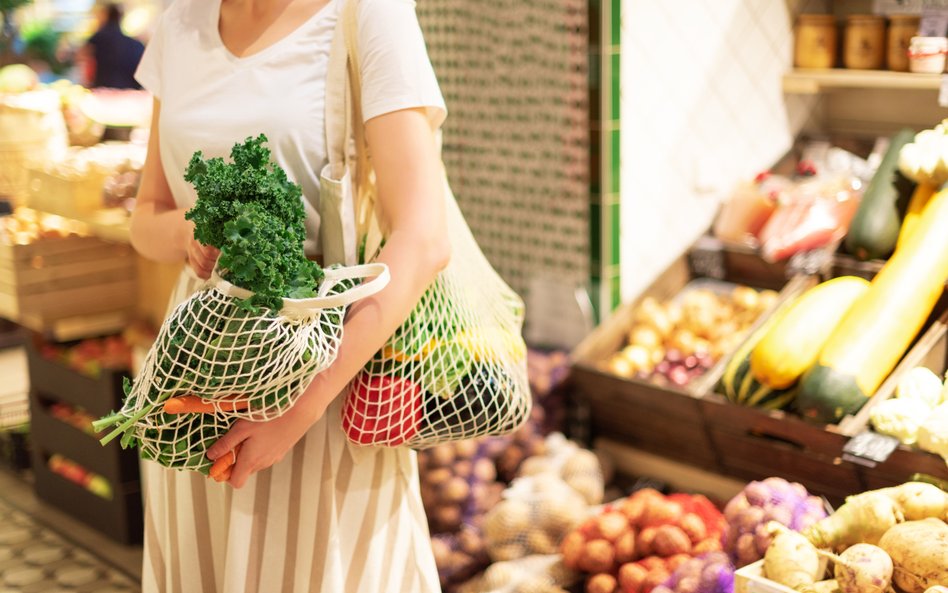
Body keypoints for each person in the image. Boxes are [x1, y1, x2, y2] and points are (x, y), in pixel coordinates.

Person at [130, 0, 450, 591]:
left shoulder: (368, 14)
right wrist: (188, 228)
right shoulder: (180, 21)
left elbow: (424, 239)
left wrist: (297, 411)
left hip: (315, 372)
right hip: (193, 380)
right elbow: (145, 219)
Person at [85, 3, 144, 88]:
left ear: (105, 15)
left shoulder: (97, 39)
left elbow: (85, 62)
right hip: (129, 91)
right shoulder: (135, 44)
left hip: (103, 89)